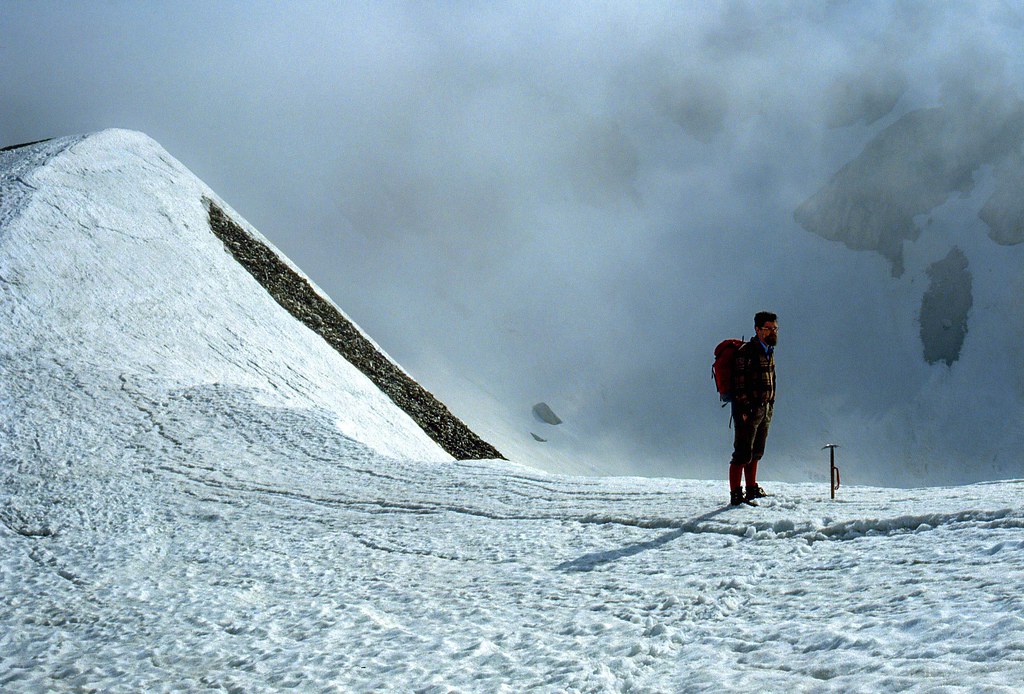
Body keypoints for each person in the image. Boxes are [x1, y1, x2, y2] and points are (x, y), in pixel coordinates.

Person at [729, 311, 777, 506]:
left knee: (756, 451)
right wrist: (745, 409)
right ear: (757, 330)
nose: (773, 332)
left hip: (764, 409)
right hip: (748, 411)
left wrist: (770, 404)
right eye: (768, 328)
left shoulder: (768, 351)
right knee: (742, 453)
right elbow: (739, 384)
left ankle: (751, 489)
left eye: (774, 328)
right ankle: (736, 494)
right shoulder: (747, 352)